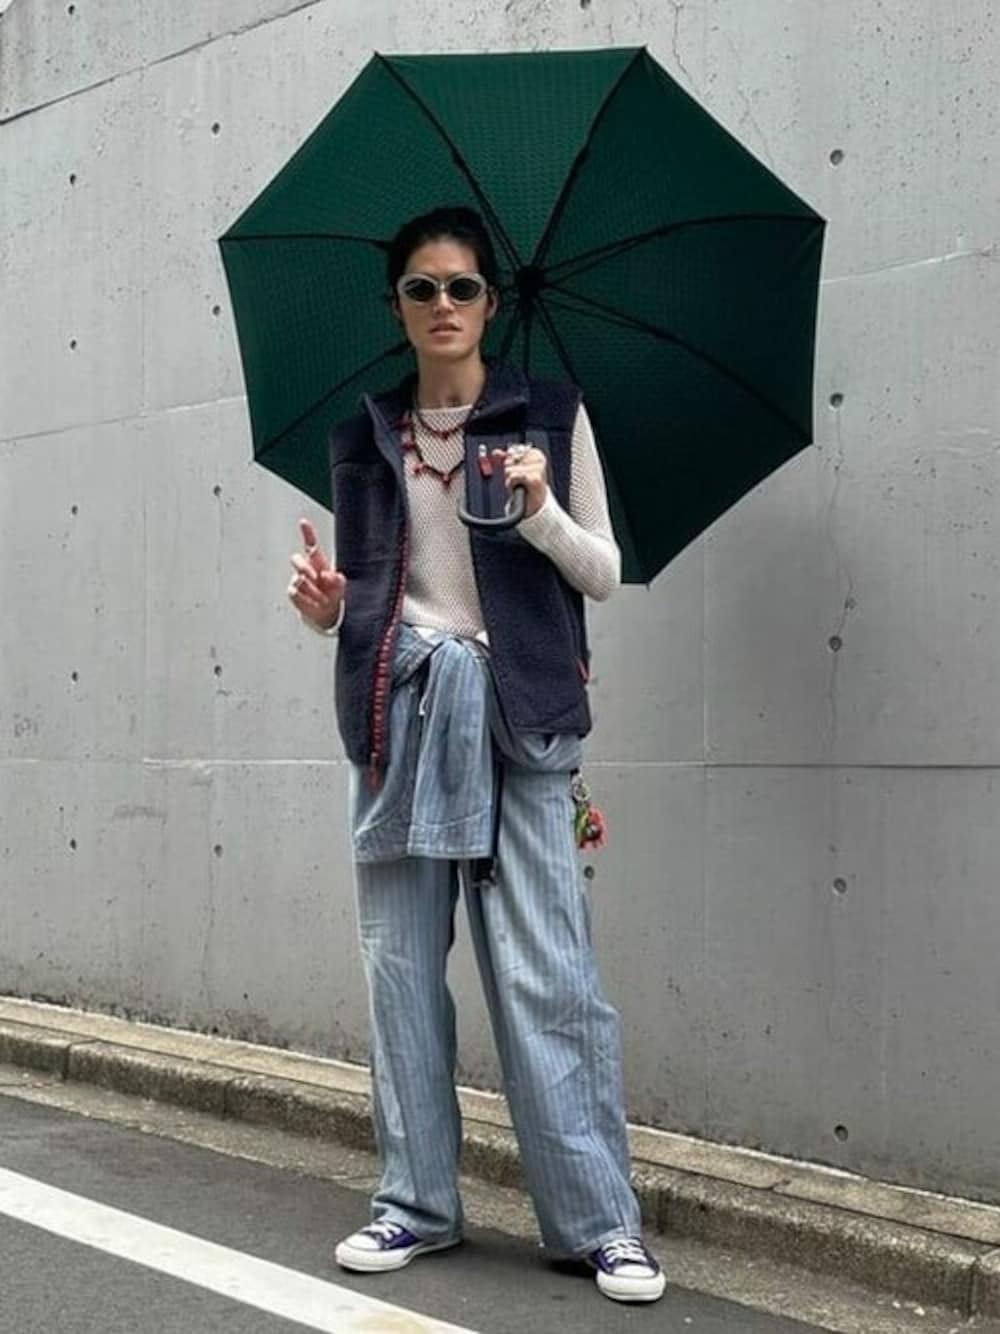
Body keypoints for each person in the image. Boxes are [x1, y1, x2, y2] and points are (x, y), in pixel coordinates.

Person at [286, 206, 665, 1305]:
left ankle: (598, 1222)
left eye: (460, 287)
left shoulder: (550, 416)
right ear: (398, 307)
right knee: (401, 972)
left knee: (550, 976)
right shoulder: (365, 436)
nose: (442, 305)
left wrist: (540, 510)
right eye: (421, 288)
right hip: (397, 722)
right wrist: (327, 609)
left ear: (491, 303)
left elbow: (603, 573)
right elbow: (370, 595)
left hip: (519, 721)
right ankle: (415, 1203)